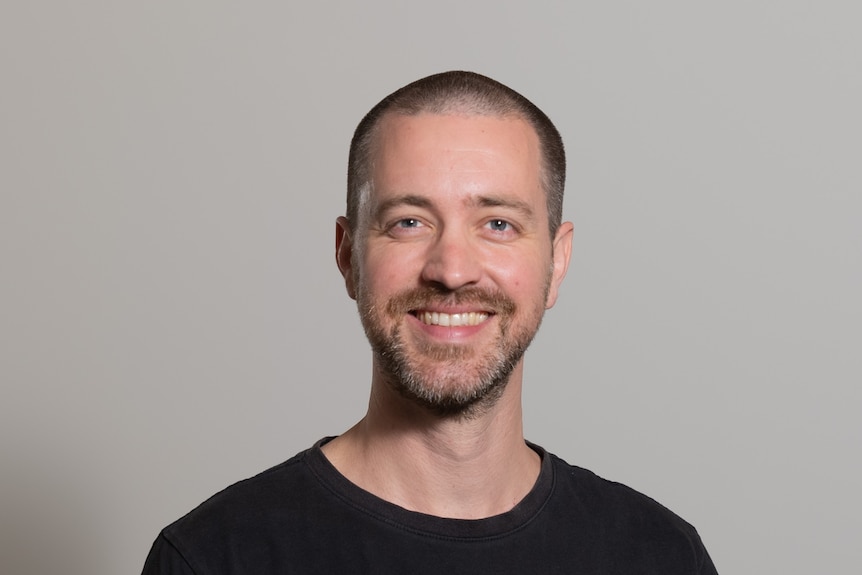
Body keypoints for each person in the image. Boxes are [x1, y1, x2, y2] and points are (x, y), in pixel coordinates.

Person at [142, 71, 718, 574]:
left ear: (557, 261)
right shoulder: (215, 557)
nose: (452, 270)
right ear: (348, 257)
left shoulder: (660, 555)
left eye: (497, 224)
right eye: (409, 222)